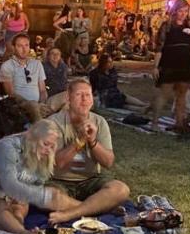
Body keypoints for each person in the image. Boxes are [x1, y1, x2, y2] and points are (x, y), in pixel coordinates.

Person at [0, 120, 83, 234]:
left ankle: (87, 208)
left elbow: (35, 184)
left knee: (22, 209)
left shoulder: (45, 156)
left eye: (52, 146)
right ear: (33, 139)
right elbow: (9, 184)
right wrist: (44, 196)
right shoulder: (7, 147)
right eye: (45, 144)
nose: (48, 150)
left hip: (19, 196)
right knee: (0, 205)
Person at [46, 78, 130, 225]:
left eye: (88, 95)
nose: (84, 99)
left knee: (121, 189)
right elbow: (58, 163)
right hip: (59, 181)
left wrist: (92, 141)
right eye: (79, 95)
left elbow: (108, 162)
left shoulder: (99, 122)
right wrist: (80, 141)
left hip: (91, 180)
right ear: (68, 98)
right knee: (47, 196)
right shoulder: (54, 123)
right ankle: (97, 207)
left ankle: (70, 212)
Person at [151, 0, 190, 134]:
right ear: (175, 11)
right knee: (164, 94)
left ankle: (179, 123)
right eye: (180, 11)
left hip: (186, 65)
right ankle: (154, 122)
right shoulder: (166, 26)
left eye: (186, 11)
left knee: (181, 95)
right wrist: (155, 66)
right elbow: (159, 48)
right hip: (169, 64)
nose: (183, 14)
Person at [0, 33, 57, 122]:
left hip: (40, 103)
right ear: (14, 48)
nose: (24, 49)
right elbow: (11, 93)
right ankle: (40, 132)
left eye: (26, 45)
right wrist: (33, 104)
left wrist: (41, 104)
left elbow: (42, 90)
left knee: (67, 96)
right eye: (20, 46)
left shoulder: (37, 63)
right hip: (20, 104)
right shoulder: (7, 66)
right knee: (33, 105)